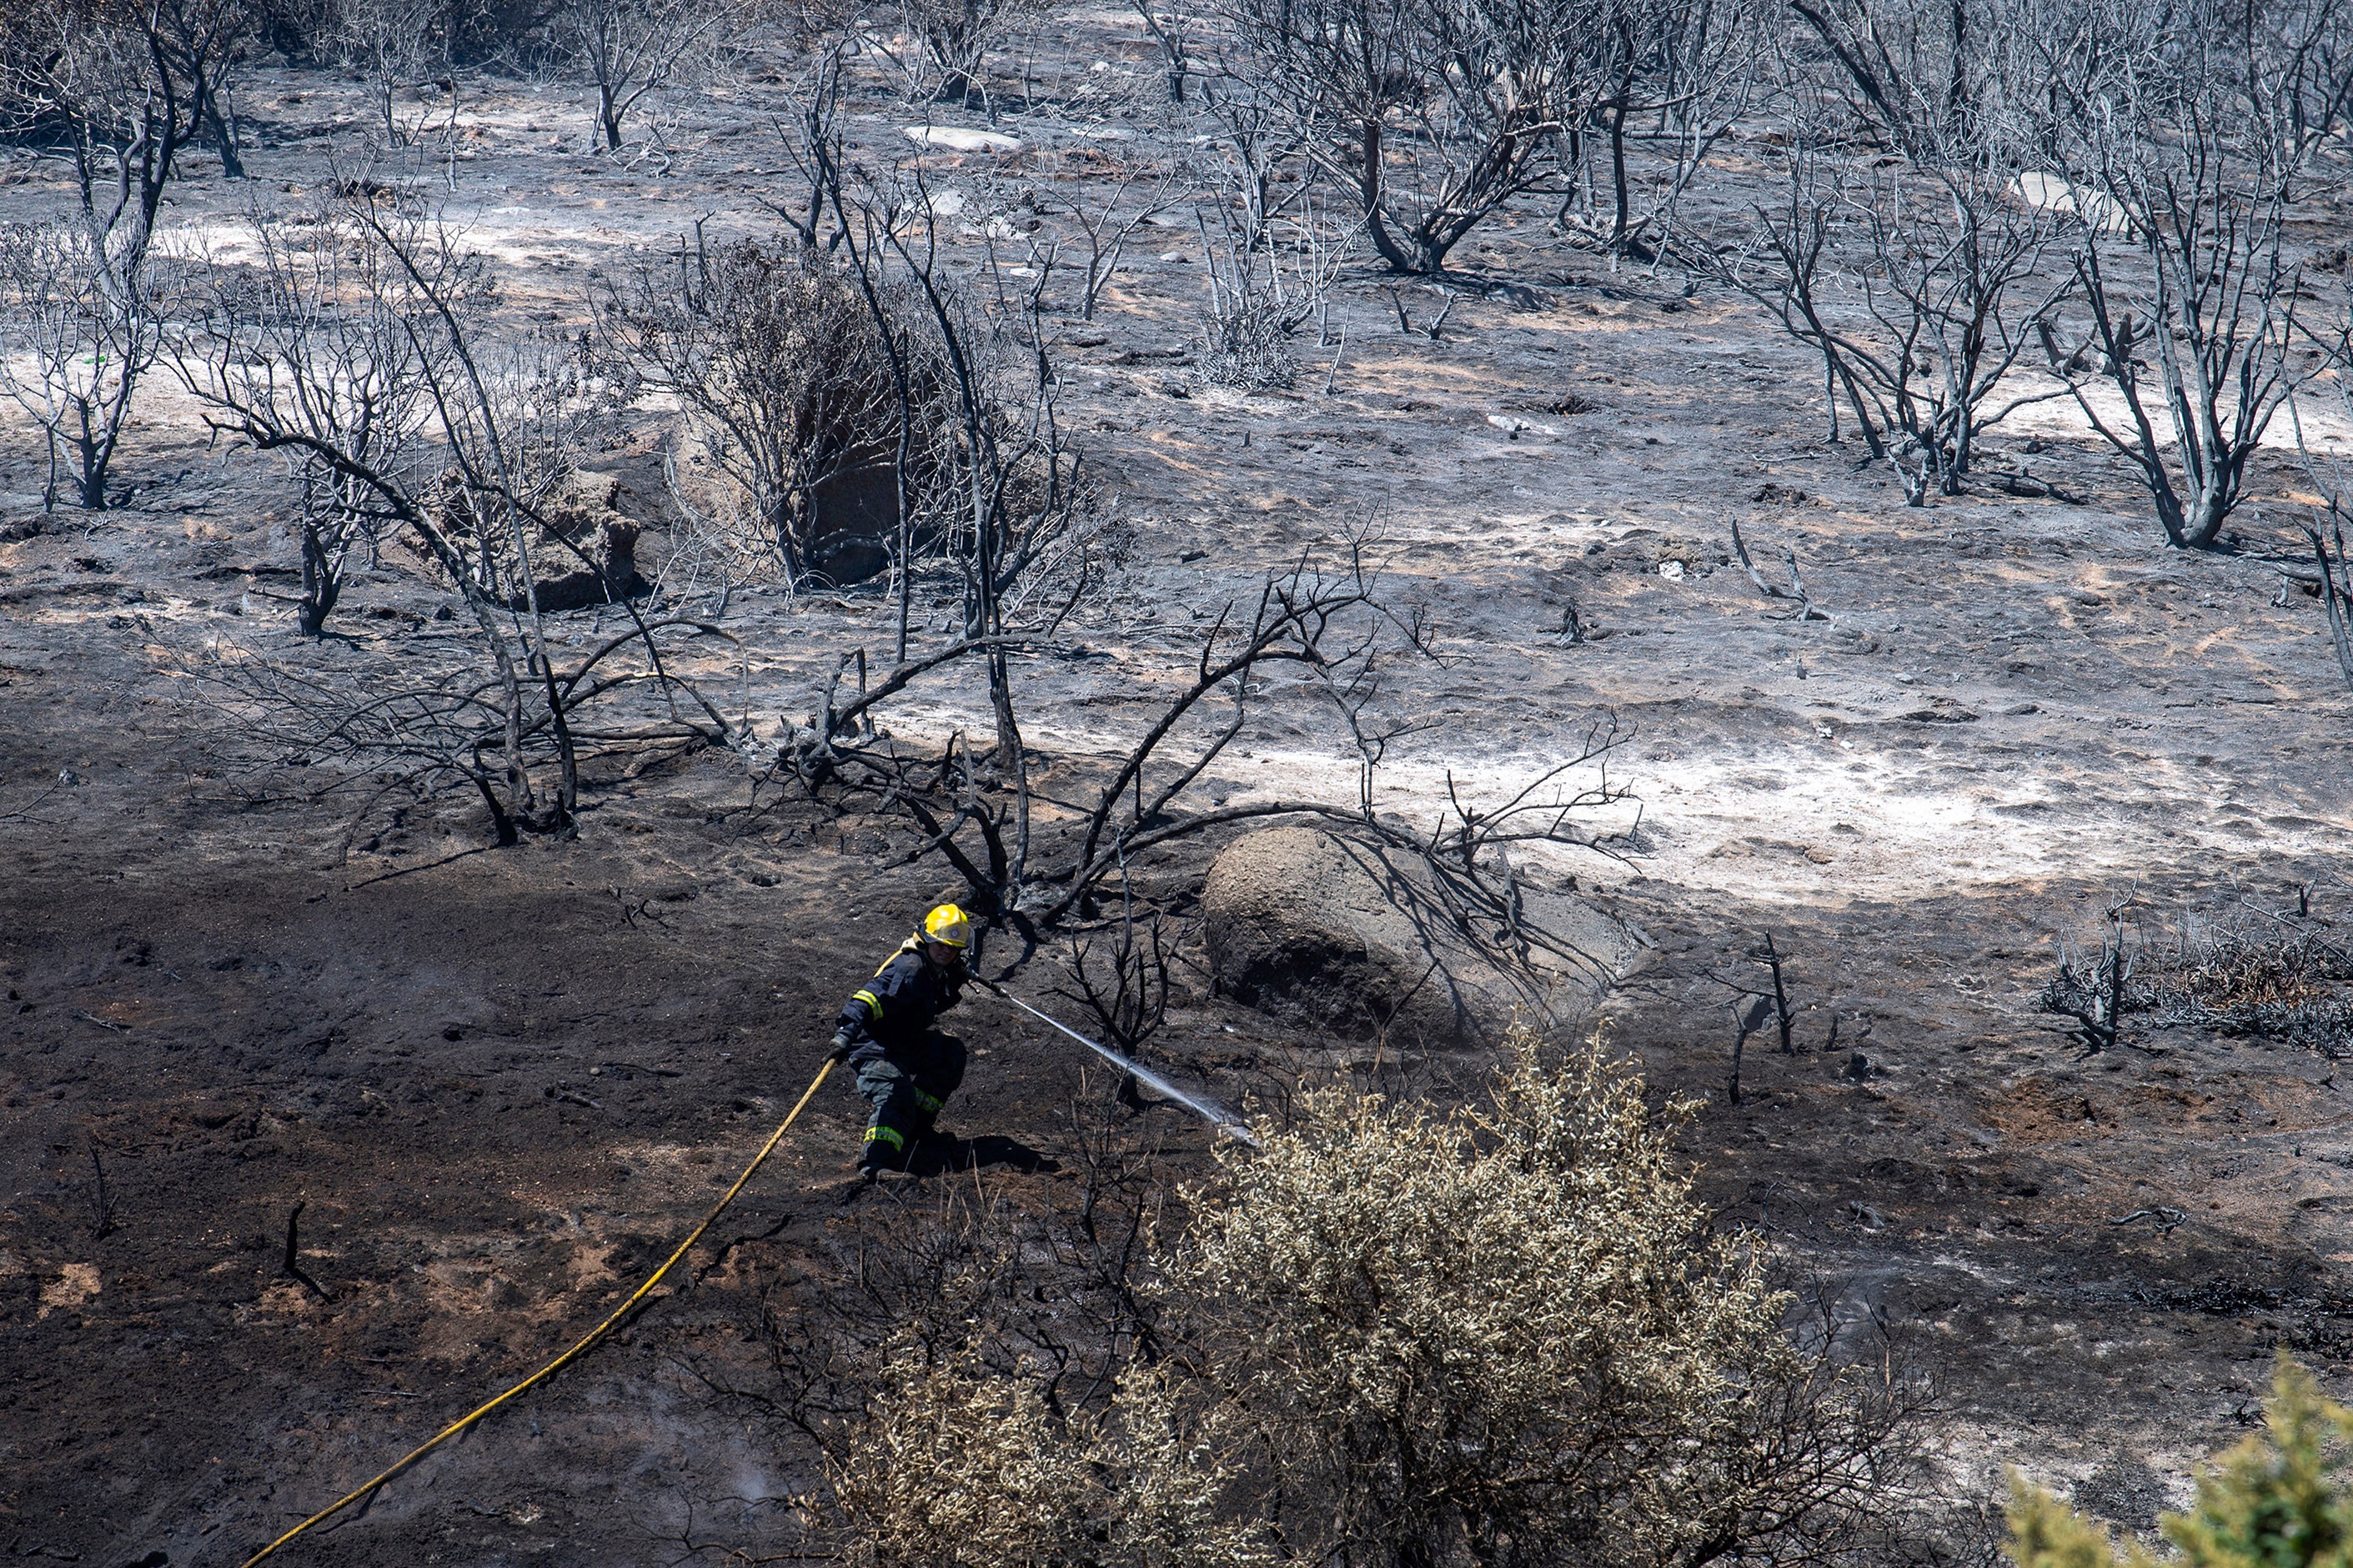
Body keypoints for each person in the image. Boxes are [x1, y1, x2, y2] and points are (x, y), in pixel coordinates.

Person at [827, 903, 973, 1176]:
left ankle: (915, 1131)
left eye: (952, 948)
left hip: (904, 1042)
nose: (946, 951)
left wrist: (953, 984)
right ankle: (875, 1163)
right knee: (895, 1091)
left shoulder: (934, 971)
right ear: (927, 938)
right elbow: (867, 999)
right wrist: (844, 1035)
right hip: (873, 1046)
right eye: (941, 944)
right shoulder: (910, 968)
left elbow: (924, 1006)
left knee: (950, 1054)